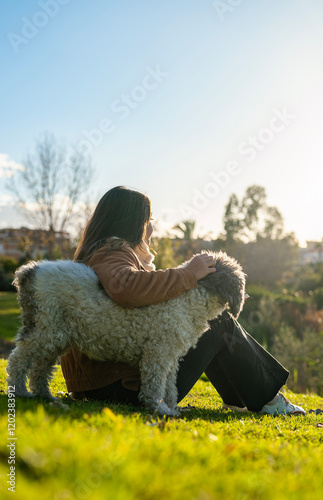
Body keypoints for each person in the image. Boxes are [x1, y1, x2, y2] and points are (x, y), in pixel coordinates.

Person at [60, 186, 305, 416]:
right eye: (149, 220)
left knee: (213, 317)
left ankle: (243, 399)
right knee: (217, 322)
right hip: (122, 387)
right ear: (132, 222)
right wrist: (189, 274)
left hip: (106, 383)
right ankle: (268, 402)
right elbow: (127, 289)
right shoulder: (114, 252)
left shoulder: (101, 252)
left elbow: (147, 302)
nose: (152, 228)